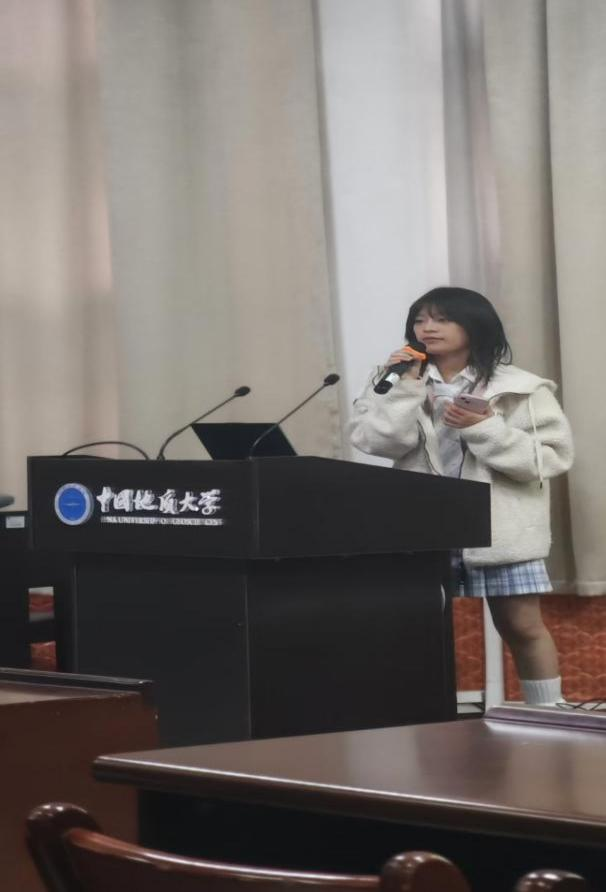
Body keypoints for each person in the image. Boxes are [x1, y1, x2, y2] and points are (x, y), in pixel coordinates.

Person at [349, 286, 574, 706]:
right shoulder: (394, 378)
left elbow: (548, 460)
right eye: (420, 319)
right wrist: (404, 389)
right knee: (414, 626)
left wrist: (484, 427)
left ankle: (549, 714)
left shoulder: (520, 387)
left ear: (474, 325)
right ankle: (421, 718)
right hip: (424, 526)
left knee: (522, 626)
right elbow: (375, 441)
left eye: (442, 319)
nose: (427, 327)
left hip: (499, 527)